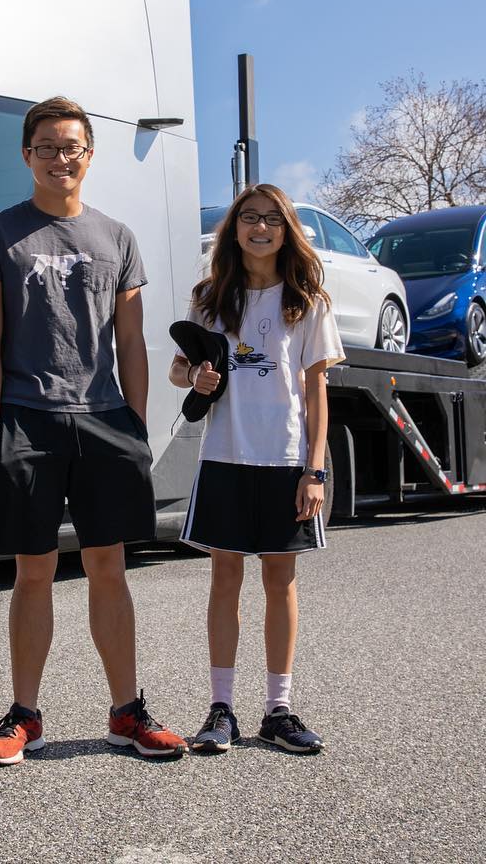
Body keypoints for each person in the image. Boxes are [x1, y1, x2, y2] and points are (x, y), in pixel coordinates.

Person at [0, 96, 186, 766]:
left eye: (72, 146)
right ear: (26, 155)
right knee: (32, 570)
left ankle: (127, 713)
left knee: (107, 566)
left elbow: (131, 341)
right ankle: (24, 716)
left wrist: (136, 426)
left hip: (104, 419)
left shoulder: (116, 237)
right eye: (47, 146)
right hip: (27, 419)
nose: (61, 157)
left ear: (89, 154)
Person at [171, 183, 344, 755]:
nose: (261, 227)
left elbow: (317, 393)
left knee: (279, 583)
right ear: (234, 228)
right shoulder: (210, 296)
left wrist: (314, 472)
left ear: (287, 228)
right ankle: (221, 709)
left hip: (286, 463)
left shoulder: (308, 301)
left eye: (273, 219)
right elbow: (181, 370)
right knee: (224, 583)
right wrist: (194, 378)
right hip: (224, 458)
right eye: (250, 218)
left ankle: (278, 709)